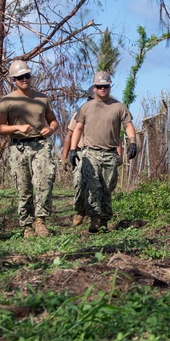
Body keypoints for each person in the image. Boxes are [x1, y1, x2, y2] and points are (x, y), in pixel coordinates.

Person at [0, 59, 59, 237]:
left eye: (27, 75)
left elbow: (53, 121)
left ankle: (41, 222)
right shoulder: (6, 101)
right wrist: (17, 128)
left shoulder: (41, 98)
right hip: (19, 147)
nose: (24, 79)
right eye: (20, 77)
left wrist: (51, 128)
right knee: (24, 188)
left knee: (44, 183)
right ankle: (27, 225)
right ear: (14, 80)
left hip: (40, 145)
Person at [68, 71, 136, 233]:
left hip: (110, 154)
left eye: (105, 86)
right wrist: (72, 149)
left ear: (109, 86)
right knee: (92, 186)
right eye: (99, 87)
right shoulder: (86, 108)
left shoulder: (118, 107)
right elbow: (77, 128)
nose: (102, 89)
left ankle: (104, 219)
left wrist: (133, 142)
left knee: (107, 187)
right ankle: (94, 219)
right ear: (95, 88)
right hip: (91, 153)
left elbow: (128, 125)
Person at [60, 89, 93, 226]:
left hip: (97, 151)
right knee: (79, 181)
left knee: (97, 185)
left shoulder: (106, 113)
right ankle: (80, 210)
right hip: (80, 152)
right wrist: (65, 156)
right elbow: (69, 136)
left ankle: (95, 214)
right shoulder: (79, 114)